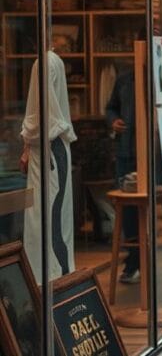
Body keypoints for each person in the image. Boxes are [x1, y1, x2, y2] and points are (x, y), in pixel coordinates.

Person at [20, 50, 76, 282]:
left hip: (48, 147)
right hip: (50, 146)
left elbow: (44, 111)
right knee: (50, 218)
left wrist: (27, 141)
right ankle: (50, 280)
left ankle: (53, 283)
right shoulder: (53, 61)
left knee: (48, 219)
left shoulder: (43, 63)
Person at [105, 67, 140, 284]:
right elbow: (111, 107)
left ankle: (140, 261)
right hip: (126, 153)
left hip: (151, 154)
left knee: (145, 212)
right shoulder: (125, 78)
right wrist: (113, 121)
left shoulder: (159, 74)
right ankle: (133, 261)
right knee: (128, 212)